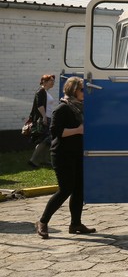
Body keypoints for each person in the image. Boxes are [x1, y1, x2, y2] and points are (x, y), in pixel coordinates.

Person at [35, 77, 95, 239]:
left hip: (77, 153)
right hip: (62, 154)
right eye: (82, 90)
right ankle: (42, 221)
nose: (84, 93)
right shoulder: (62, 108)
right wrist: (78, 130)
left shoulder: (81, 108)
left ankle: (75, 223)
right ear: (73, 90)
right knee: (65, 189)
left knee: (79, 189)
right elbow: (56, 133)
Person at [29, 74, 57, 168]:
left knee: (47, 140)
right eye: (51, 81)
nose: (53, 82)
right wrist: (44, 117)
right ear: (44, 82)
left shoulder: (45, 92)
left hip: (48, 118)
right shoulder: (41, 91)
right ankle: (33, 160)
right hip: (43, 119)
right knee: (44, 140)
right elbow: (40, 105)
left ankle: (44, 159)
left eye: (53, 81)